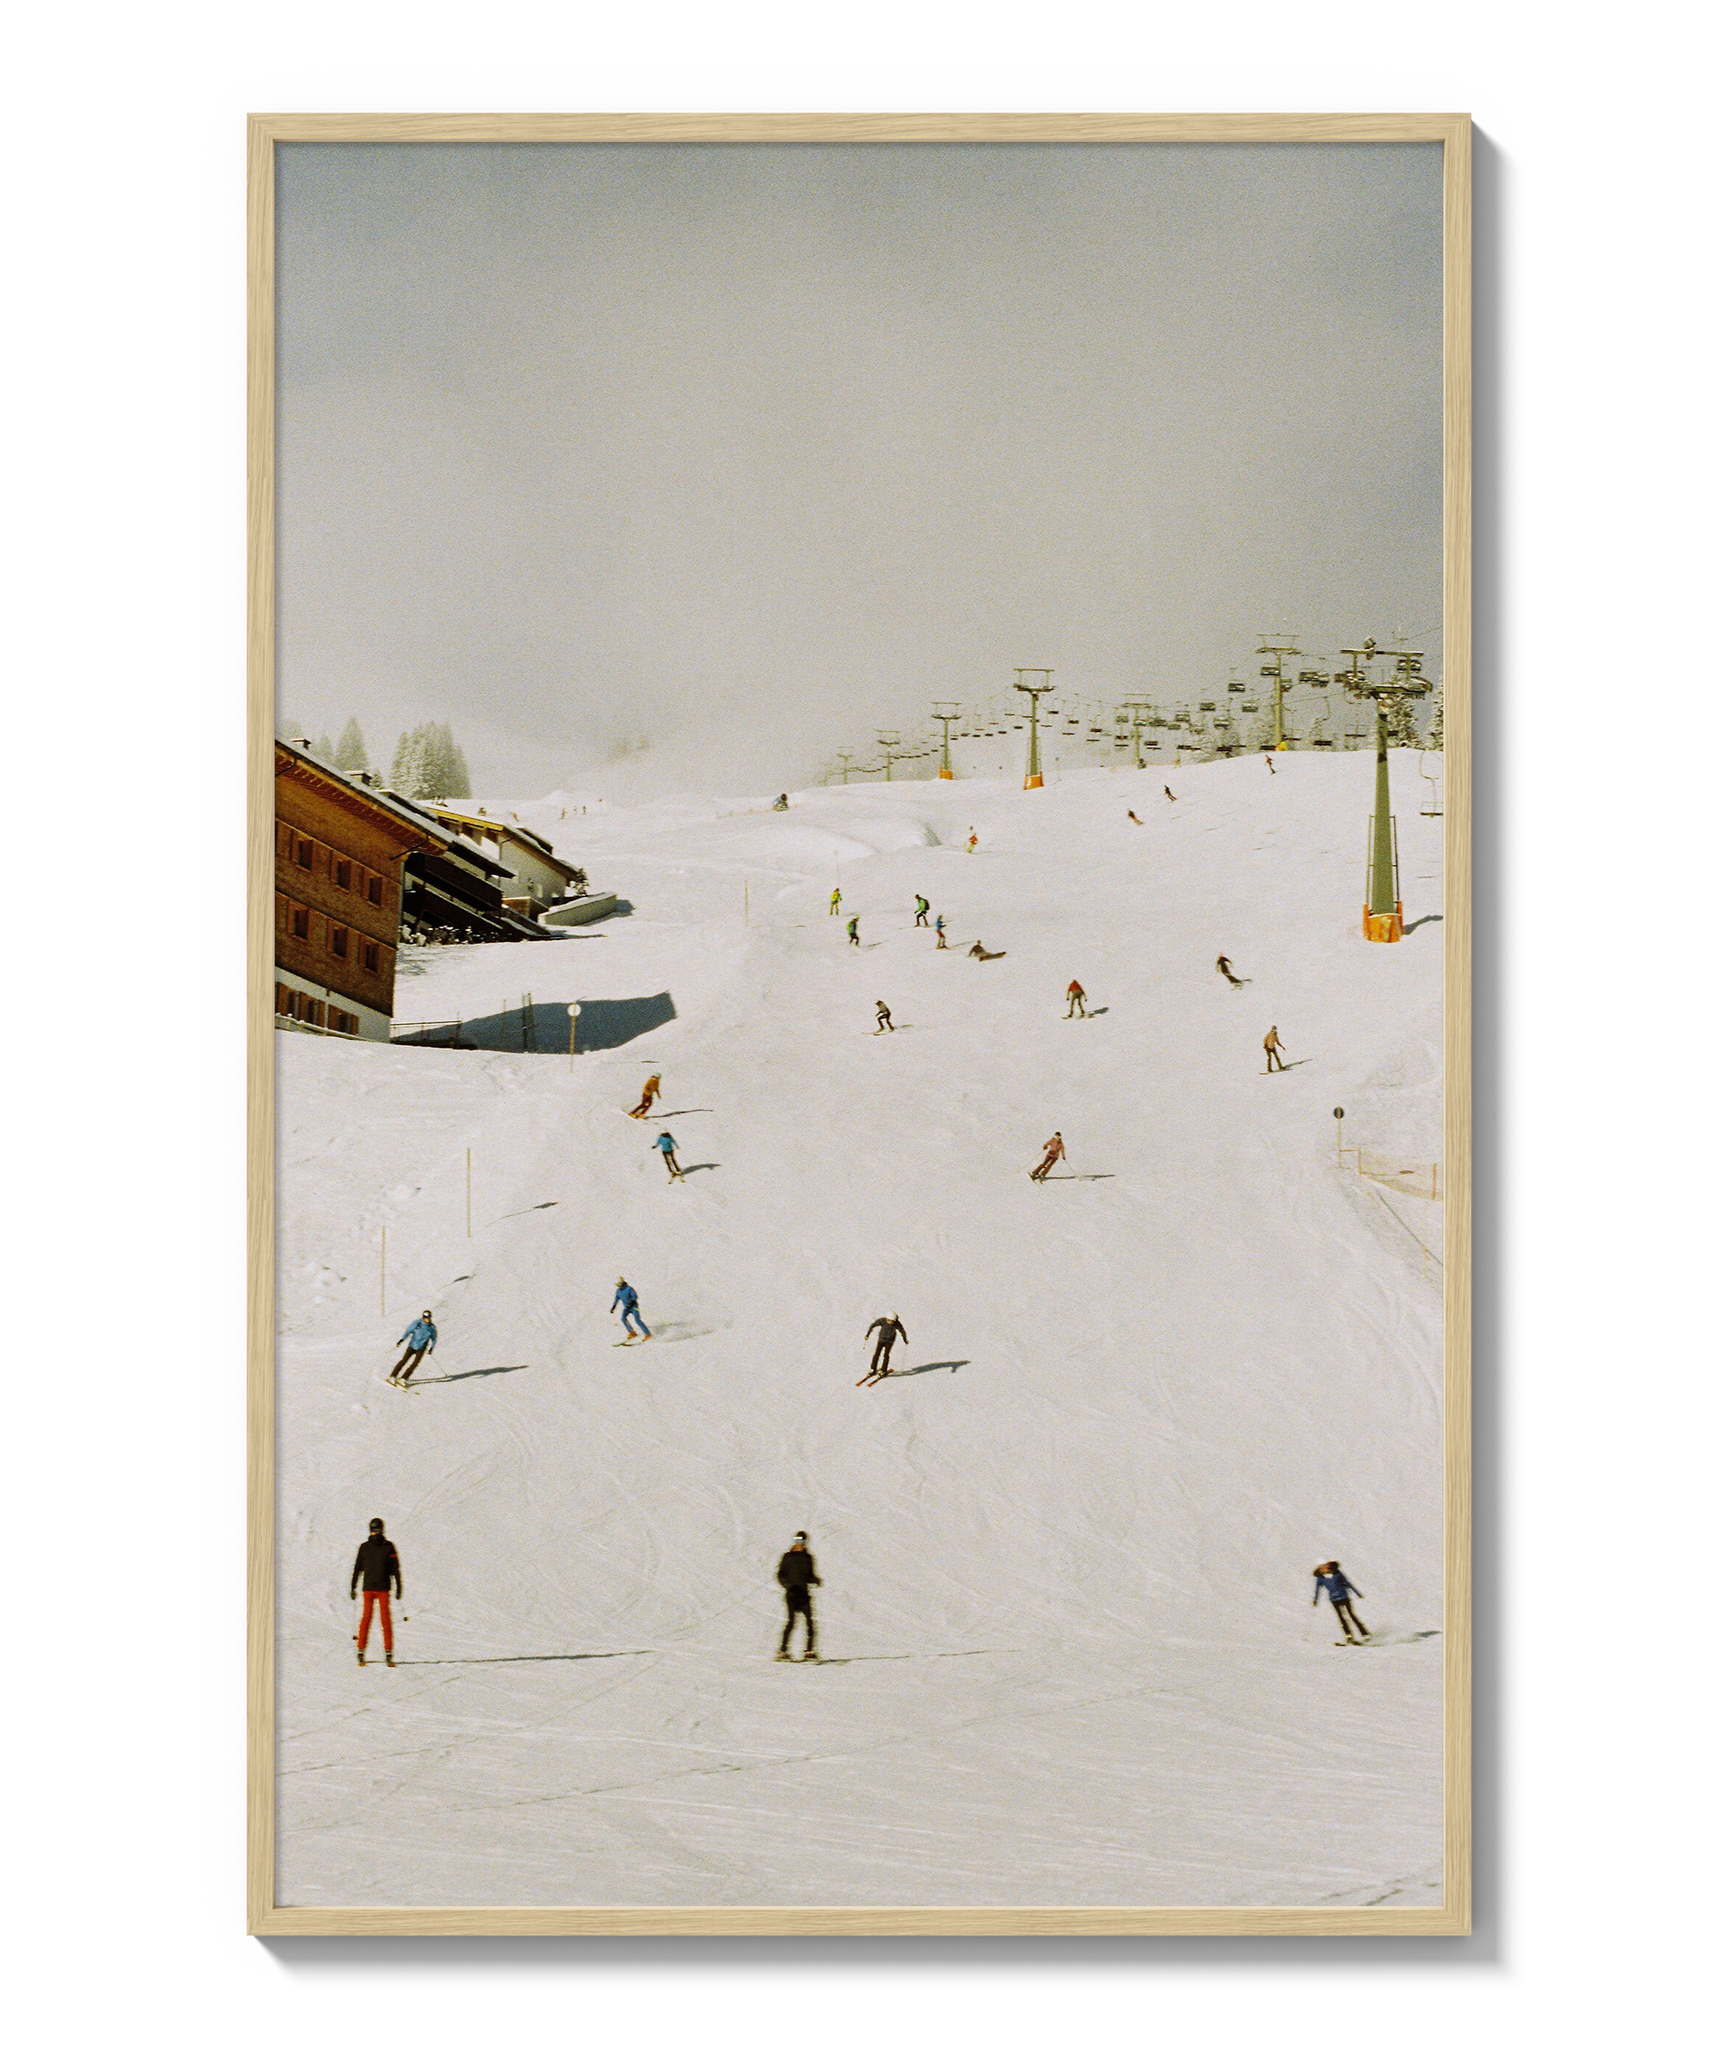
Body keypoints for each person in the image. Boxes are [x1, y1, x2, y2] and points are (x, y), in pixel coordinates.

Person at [351, 1518, 402, 1667]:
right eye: (375, 1530)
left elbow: (394, 1569)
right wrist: (353, 1586)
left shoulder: (384, 1547)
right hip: (376, 1588)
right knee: (374, 1619)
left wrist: (353, 1587)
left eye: (377, 1530)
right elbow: (358, 1568)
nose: (376, 1533)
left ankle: (378, 1651)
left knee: (376, 1619)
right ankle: (366, 1650)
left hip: (378, 1588)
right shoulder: (381, 1547)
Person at [776, 1533, 822, 1661]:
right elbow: (781, 1575)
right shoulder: (788, 1557)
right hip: (792, 1594)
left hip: (804, 1595)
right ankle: (782, 1651)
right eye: (797, 1540)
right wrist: (788, 1586)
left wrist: (815, 1580)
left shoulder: (808, 1558)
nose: (799, 1543)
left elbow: (810, 1575)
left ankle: (809, 1651)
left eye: (802, 1541)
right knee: (791, 1622)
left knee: (810, 1623)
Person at [1313, 1561, 1370, 1641]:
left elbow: (1347, 1583)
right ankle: (1348, 1634)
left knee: (1351, 1615)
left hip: (1343, 1597)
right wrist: (1316, 1599)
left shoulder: (1337, 1573)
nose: (1323, 1568)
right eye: (1321, 1567)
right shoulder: (1320, 1578)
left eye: (1325, 1566)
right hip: (1334, 1599)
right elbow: (1318, 1589)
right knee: (1341, 1617)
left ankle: (1364, 1633)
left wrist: (1357, 1592)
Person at [389, 1311, 437, 1386]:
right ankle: (393, 1376)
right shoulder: (417, 1323)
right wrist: (402, 1339)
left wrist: (431, 1348)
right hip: (412, 1346)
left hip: (422, 1348)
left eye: (429, 1317)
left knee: (415, 1364)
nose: (427, 1319)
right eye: (426, 1317)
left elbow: (433, 1338)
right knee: (404, 1360)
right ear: (423, 1317)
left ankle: (403, 1378)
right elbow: (408, 1331)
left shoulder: (431, 1328)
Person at [864, 1313, 909, 1378]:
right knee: (876, 1354)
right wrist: (868, 1334)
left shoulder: (897, 1324)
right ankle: (873, 1369)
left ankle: (884, 1370)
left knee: (886, 1355)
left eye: (891, 1321)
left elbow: (902, 1331)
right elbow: (873, 1325)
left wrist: (905, 1339)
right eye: (888, 1320)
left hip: (889, 1341)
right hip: (881, 1340)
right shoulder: (882, 1321)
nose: (889, 1322)